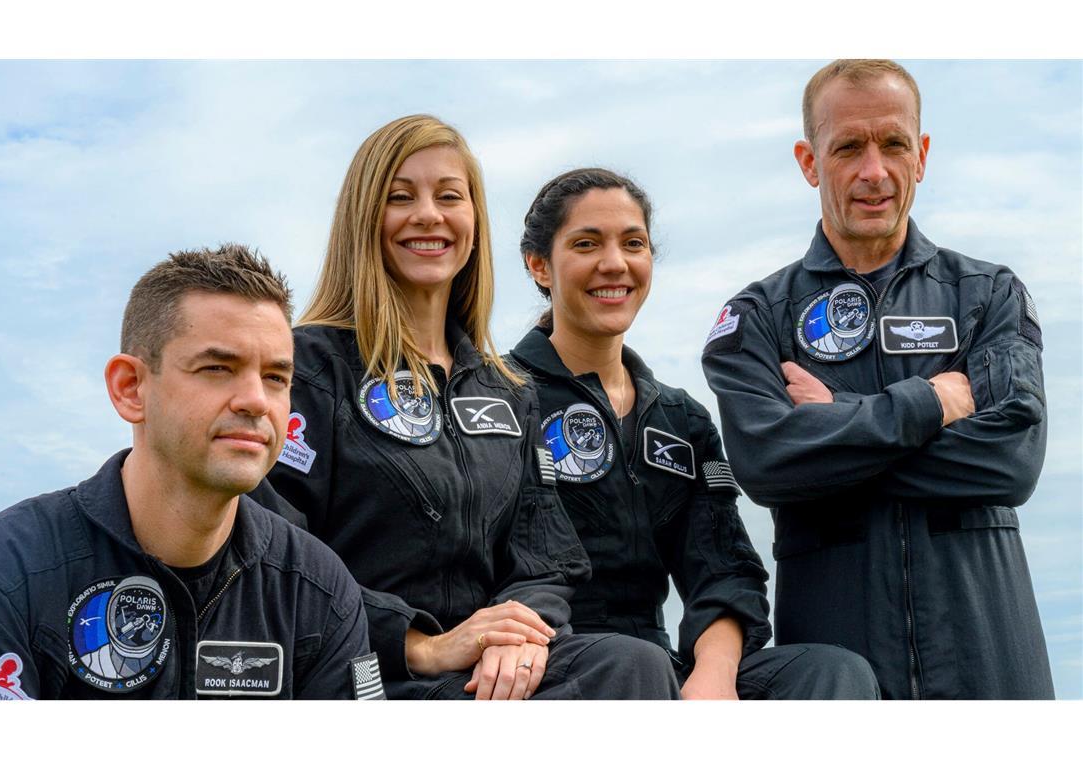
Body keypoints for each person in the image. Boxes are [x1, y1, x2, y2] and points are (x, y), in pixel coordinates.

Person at [250, 114, 680, 700]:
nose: (428, 214)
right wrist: (419, 643)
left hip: (486, 673)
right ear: (363, 220)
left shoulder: (508, 390)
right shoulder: (307, 366)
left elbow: (544, 562)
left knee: (632, 664)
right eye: (401, 197)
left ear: (473, 221)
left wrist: (517, 634)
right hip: (365, 673)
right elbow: (272, 546)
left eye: (449, 196)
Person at [701, 60, 1053, 699]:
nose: (874, 171)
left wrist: (837, 417)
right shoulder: (759, 318)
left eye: (893, 144)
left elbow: (1012, 462)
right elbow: (766, 462)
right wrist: (927, 402)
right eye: (848, 147)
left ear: (920, 155)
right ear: (810, 162)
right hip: (841, 671)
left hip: (992, 658)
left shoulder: (988, 295)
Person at [511, 167, 880, 700]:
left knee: (831, 672)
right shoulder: (498, 398)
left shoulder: (681, 419)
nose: (614, 263)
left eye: (633, 243)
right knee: (631, 665)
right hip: (544, 667)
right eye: (587, 244)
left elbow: (723, 570)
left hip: (659, 667)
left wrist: (713, 675)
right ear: (540, 266)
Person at [0, 245, 376, 700]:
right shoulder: (0, 578)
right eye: (217, 368)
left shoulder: (319, 591)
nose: (256, 401)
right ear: (131, 388)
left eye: (275, 378)